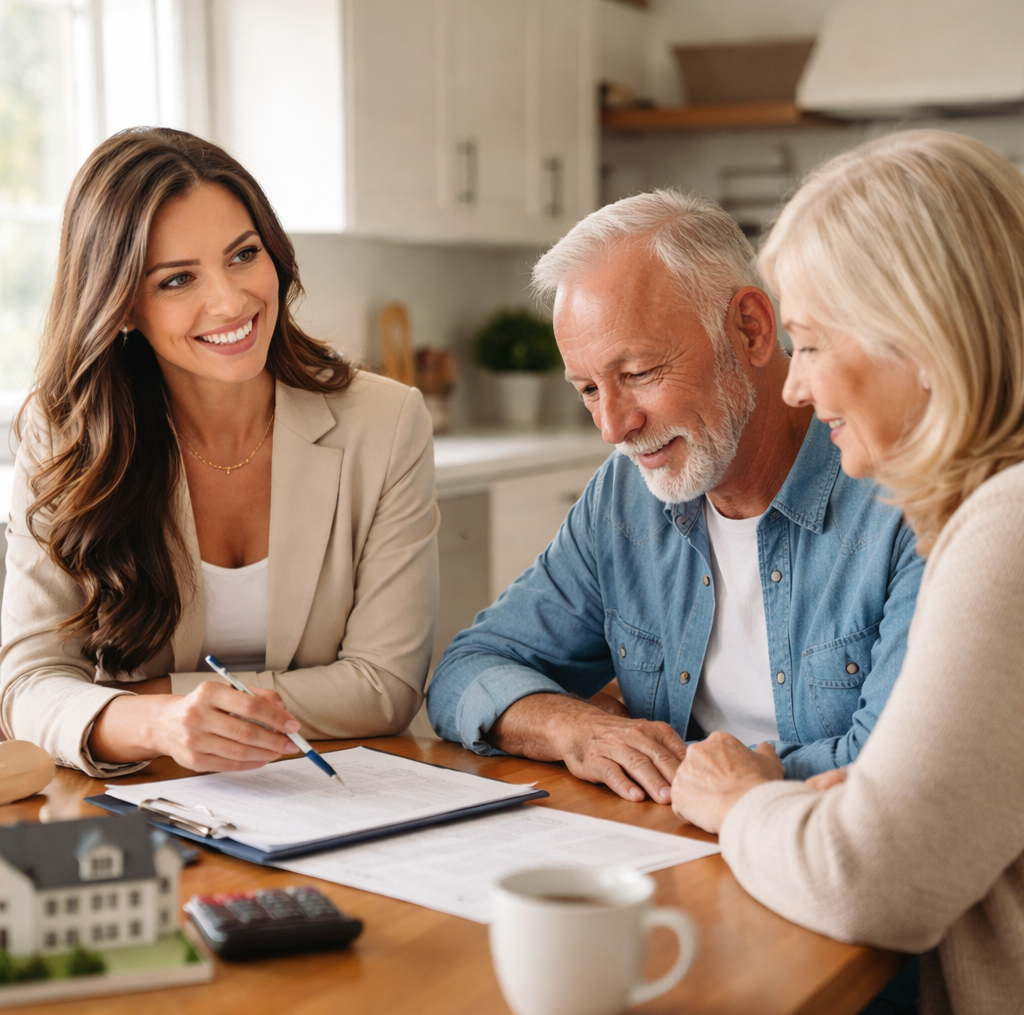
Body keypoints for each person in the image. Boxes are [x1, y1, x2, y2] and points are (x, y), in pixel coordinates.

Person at [669, 130, 1024, 1013]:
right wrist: (858, 809)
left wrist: (739, 802)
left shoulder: (1010, 527)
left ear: (919, 335)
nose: (794, 387)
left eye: (813, 344)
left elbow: (876, 883)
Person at [427, 190, 924, 803]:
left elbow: (890, 768)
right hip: (676, 851)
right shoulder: (625, 493)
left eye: (637, 374)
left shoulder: (906, 495)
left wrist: (686, 772)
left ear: (750, 329)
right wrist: (575, 728)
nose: (613, 427)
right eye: (587, 389)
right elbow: (466, 670)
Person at [0, 128, 439, 778]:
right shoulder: (65, 431)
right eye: (177, 279)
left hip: (342, 790)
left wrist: (148, 700)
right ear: (121, 306)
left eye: (243, 255)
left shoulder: (386, 421)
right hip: (142, 798)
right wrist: (158, 726)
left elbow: (384, 687)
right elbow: (29, 681)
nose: (231, 301)